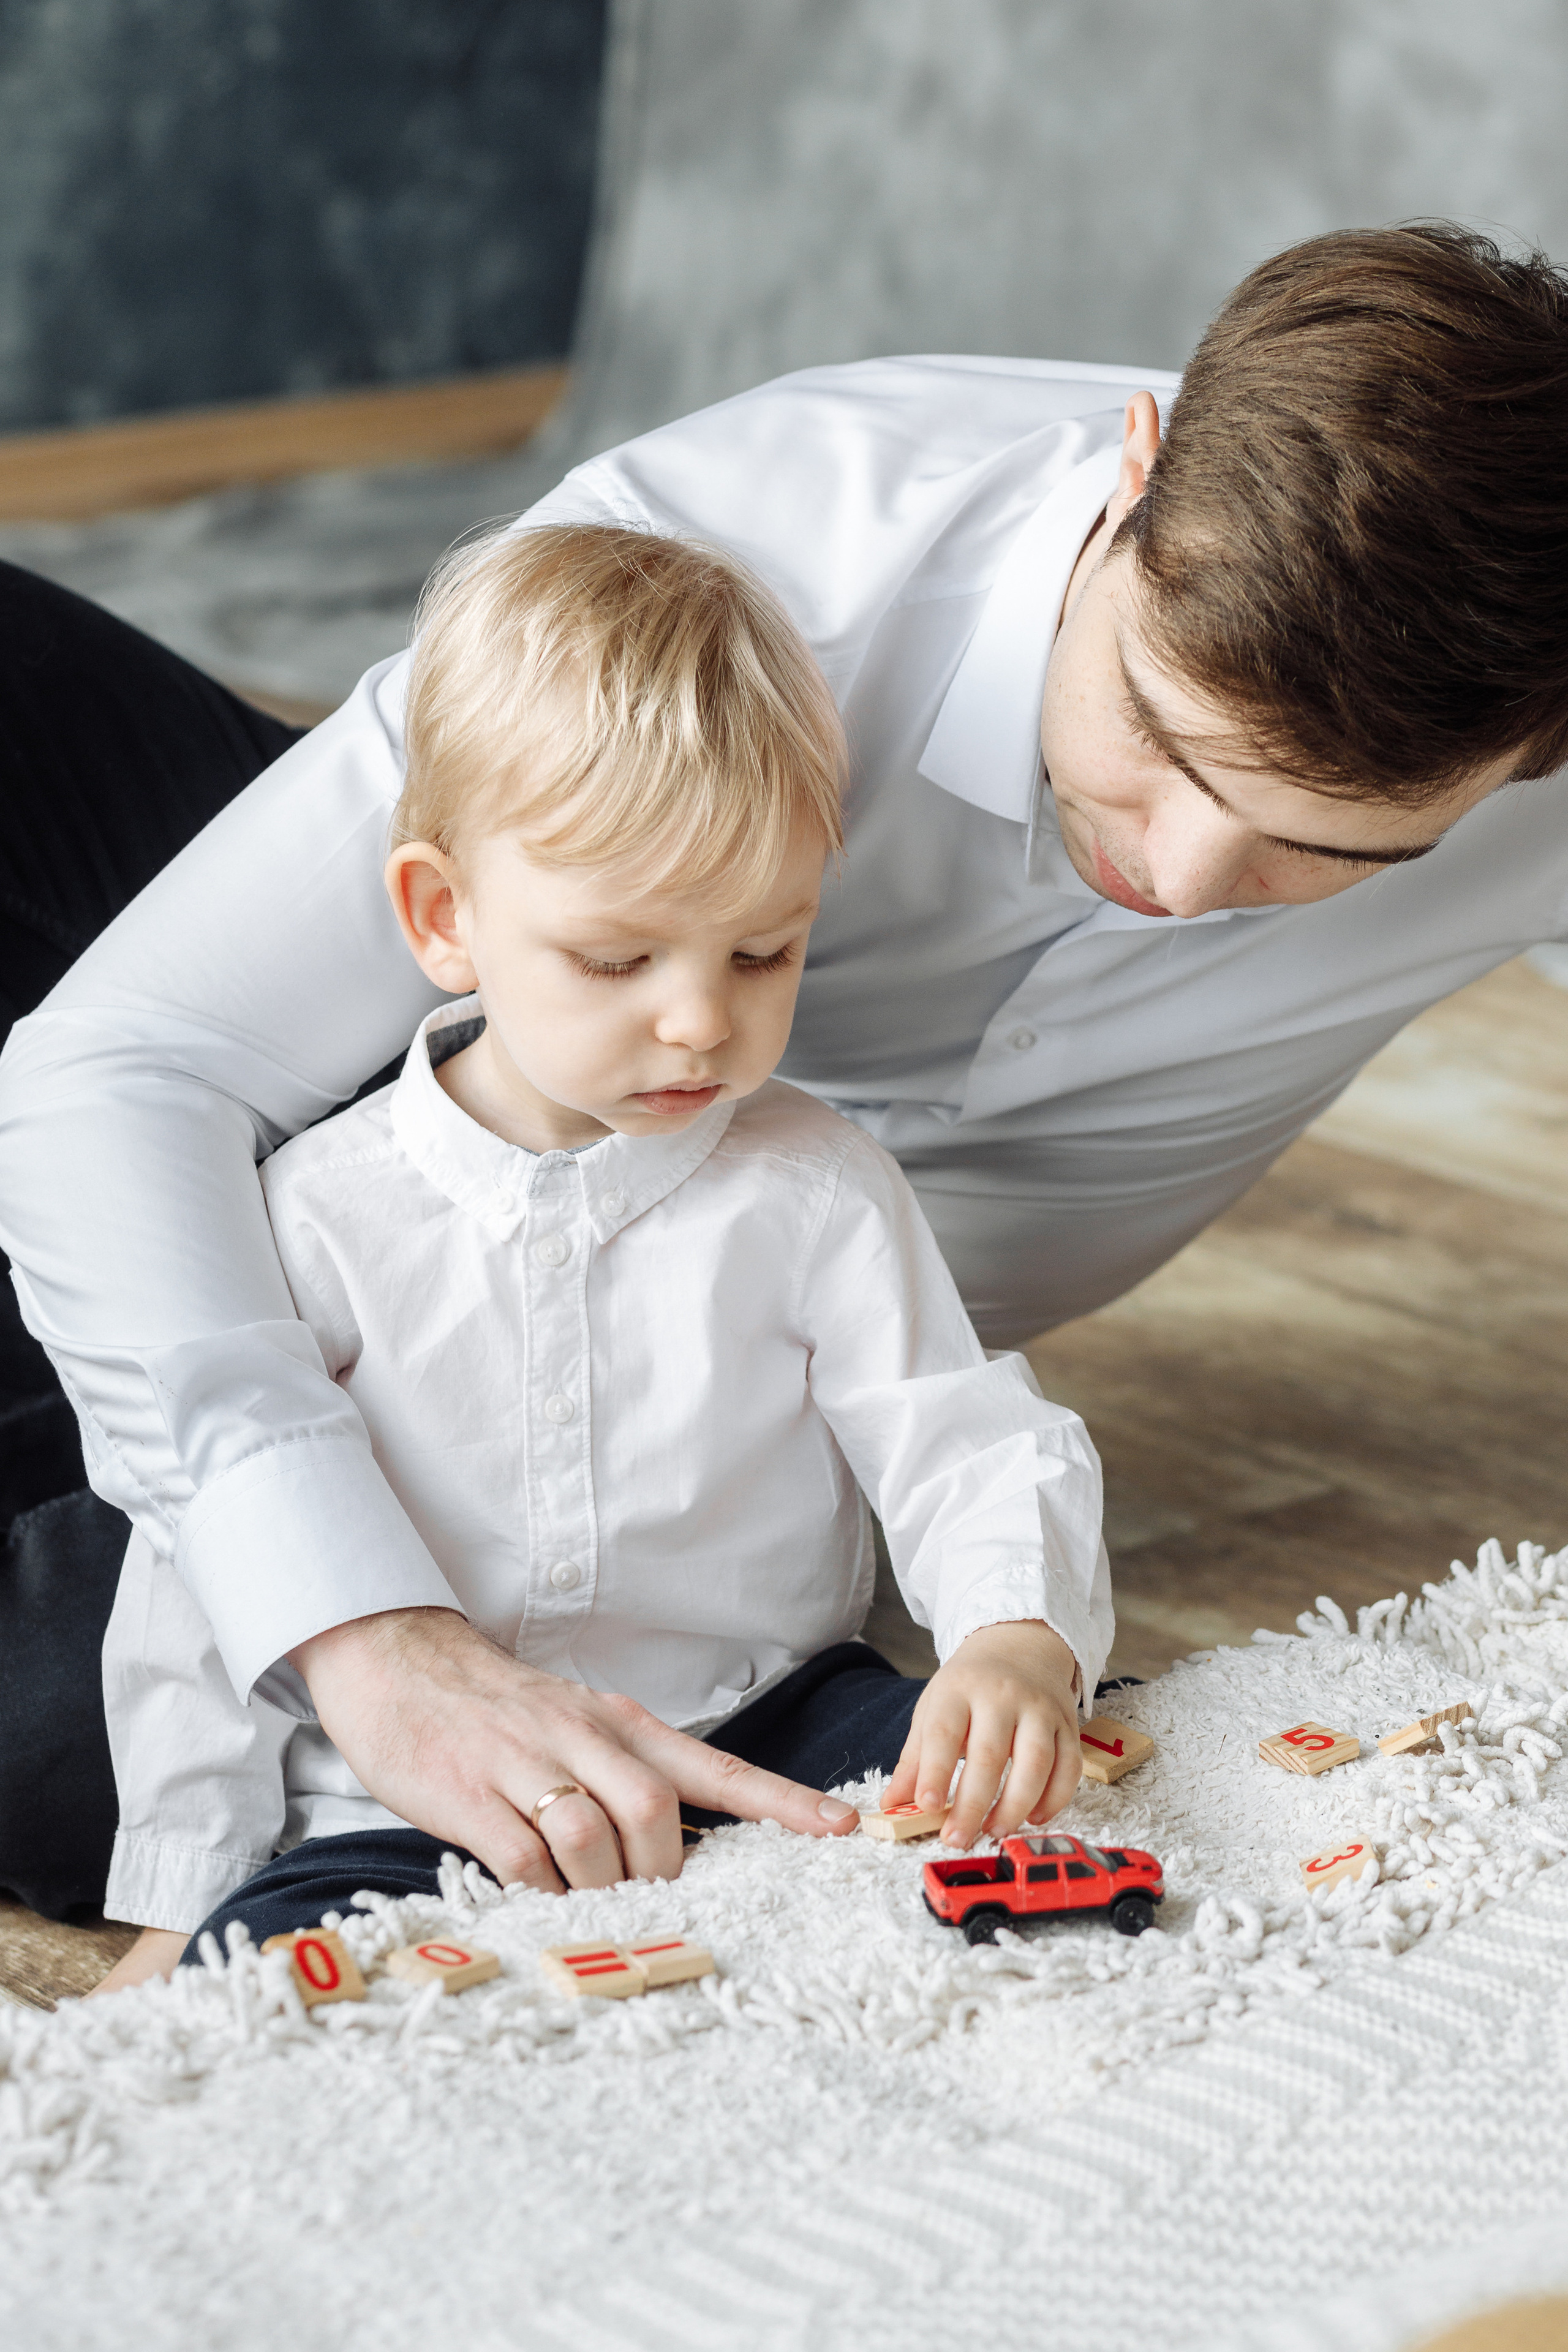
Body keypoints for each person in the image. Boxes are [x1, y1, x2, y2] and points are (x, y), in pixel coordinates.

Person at [2, 221, 1566, 1929]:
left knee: (67, 1701)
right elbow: (128, 1065)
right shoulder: (735, 564)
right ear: (1132, 476)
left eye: (1329, 850)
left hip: (750, 1404)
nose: (1184, 881)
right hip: (464, 1030)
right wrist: (368, 1635)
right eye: (1157, 730)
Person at [92, 521, 1108, 1991]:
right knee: (263, 1975)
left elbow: (958, 1439)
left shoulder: (818, 1190)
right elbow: (201, 1593)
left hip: (765, 1723)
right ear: (446, 918)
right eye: (618, 961)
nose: (700, 1022)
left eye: (760, 953)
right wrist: (173, 1901)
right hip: (415, 1801)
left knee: (1023, 1797)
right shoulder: (316, 1217)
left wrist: (1013, 1639)